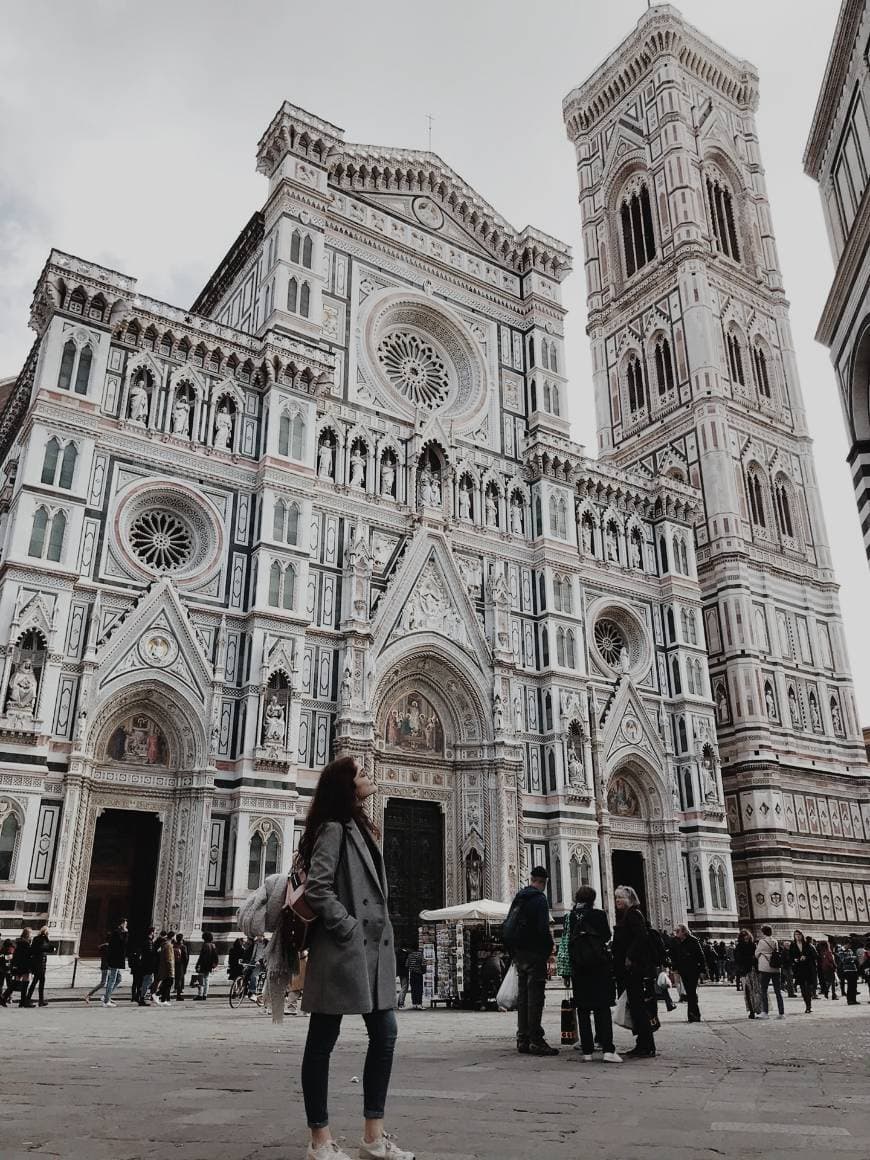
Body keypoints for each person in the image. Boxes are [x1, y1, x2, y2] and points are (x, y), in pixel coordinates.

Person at [297, 754, 413, 1160]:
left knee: (385, 1035)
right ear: (346, 786)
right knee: (322, 1043)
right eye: (362, 773)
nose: (369, 777)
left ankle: (373, 1137)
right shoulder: (332, 828)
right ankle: (320, 1140)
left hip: (371, 953)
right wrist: (347, 926)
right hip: (344, 951)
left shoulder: (359, 826)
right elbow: (317, 889)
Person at [503, 865, 558, 1056]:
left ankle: (522, 1038)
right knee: (535, 997)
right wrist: (548, 948)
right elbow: (543, 929)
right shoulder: (539, 899)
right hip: (534, 953)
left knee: (524, 996)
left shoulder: (519, 897)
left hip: (519, 954)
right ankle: (536, 1039)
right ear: (544, 882)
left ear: (530, 878)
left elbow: (508, 923)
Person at [567, 885, 621, 1063]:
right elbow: (606, 936)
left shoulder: (571, 916)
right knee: (602, 1008)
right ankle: (608, 1050)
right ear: (593, 899)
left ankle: (587, 1052)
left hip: (579, 967)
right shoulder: (598, 914)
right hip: (598, 967)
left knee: (583, 1009)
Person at [611, 885, 657, 1058]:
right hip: (631, 968)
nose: (617, 901)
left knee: (638, 1007)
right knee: (636, 1007)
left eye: (620, 898)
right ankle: (643, 1044)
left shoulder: (633, 915)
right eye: (616, 898)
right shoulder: (629, 915)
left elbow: (641, 937)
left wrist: (629, 956)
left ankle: (647, 1046)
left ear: (629, 899)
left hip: (634, 969)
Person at [671, 925, 705, 1022]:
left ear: (684, 932)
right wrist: (675, 968)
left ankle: (693, 1014)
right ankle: (694, 1014)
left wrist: (702, 970)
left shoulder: (693, 941)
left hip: (693, 970)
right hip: (683, 970)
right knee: (690, 992)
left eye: (678, 931)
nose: (676, 933)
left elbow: (700, 956)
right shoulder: (677, 942)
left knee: (691, 992)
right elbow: (675, 956)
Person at [755, 925, 785, 1019]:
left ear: (763, 932)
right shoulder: (775, 941)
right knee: (777, 991)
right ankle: (781, 1013)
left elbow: (756, 954)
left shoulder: (761, 942)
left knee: (763, 990)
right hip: (775, 968)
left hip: (765, 968)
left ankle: (765, 1012)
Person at [2, 927, 34, 1007]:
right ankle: (22, 1002)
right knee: (24, 982)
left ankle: (4, 997)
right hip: (24, 966)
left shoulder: (19, 942)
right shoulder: (25, 943)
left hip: (19, 965)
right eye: (30, 934)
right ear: (27, 935)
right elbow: (27, 956)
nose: (31, 936)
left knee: (16, 983)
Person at [789, 929, 818, 1013]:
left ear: (802, 935)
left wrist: (806, 957)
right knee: (802, 988)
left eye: (799, 934)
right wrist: (795, 959)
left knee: (808, 987)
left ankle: (809, 1006)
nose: (797, 936)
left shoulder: (808, 945)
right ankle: (807, 1004)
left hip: (808, 968)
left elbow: (815, 955)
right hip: (799, 969)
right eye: (796, 934)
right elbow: (790, 957)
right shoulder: (793, 945)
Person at [25, 926, 54, 1006]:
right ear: (46, 932)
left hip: (37, 963)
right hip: (40, 963)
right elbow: (46, 948)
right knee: (38, 982)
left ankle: (37, 1000)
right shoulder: (43, 939)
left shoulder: (36, 939)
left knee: (38, 981)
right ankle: (31, 1000)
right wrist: (52, 948)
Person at [102, 919, 128, 1007]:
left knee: (119, 978)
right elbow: (122, 943)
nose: (126, 925)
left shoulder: (119, 932)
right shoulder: (117, 933)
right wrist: (125, 933)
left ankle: (106, 996)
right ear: (122, 924)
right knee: (112, 979)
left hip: (116, 959)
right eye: (125, 924)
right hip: (115, 959)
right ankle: (106, 1001)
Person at [734, 929, 760, 1018]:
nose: (746, 937)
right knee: (748, 991)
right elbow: (738, 959)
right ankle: (751, 1011)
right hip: (745, 971)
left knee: (756, 990)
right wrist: (750, 958)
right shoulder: (739, 946)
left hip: (753, 970)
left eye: (747, 935)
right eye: (744, 936)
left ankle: (758, 1008)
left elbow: (756, 958)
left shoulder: (753, 945)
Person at [84, 933, 111, 1005]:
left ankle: (107, 997)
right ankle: (89, 995)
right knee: (103, 983)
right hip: (106, 966)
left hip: (106, 966)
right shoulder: (108, 947)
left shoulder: (104, 946)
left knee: (109, 982)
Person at [195, 932, 219, 1000]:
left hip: (203, 965)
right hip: (209, 965)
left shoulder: (205, 945)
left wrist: (197, 964)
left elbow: (201, 957)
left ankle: (200, 995)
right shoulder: (213, 945)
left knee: (201, 980)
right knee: (207, 980)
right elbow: (215, 956)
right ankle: (205, 995)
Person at [137, 928, 157, 1005]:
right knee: (147, 981)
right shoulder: (149, 942)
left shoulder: (147, 941)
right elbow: (150, 953)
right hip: (148, 965)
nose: (155, 934)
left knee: (147, 980)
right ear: (151, 933)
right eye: (154, 932)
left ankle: (142, 995)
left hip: (145, 964)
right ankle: (142, 997)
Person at [155, 931, 175, 1004]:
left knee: (166, 982)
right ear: (172, 937)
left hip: (163, 966)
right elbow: (169, 958)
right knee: (169, 982)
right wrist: (171, 969)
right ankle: (157, 994)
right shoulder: (169, 945)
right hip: (168, 967)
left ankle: (164, 999)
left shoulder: (164, 944)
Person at [174, 933, 190, 1001]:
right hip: (181, 964)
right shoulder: (183, 946)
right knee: (180, 979)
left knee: (175, 979)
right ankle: (178, 995)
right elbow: (186, 958)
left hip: (174, 964)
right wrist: (185, 966)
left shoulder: (173, 945)